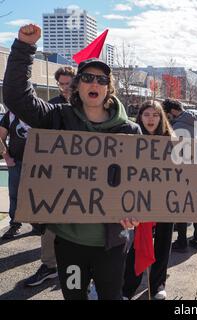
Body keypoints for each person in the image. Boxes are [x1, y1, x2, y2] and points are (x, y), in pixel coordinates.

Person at [3, 24, 141, 300]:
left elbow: (140, 183)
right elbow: (16, 97)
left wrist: (135, 209)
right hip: (69, 244)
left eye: (102, 79)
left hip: (111, 244)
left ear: (108, 88)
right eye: (88, 77)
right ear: (78, 86)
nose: (95, 83)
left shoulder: (129, 131)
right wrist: (24, 48)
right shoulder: (57, 118)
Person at [24, 66, 76, 287]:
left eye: (69, 84)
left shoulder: (92, 107)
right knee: (51, 224)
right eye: (61, 84)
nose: (65, 89)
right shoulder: (52, 106)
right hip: (55, 176)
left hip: (86, 178)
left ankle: (85, 270)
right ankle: (49, 265)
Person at [122, 101, 175, 300]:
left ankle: (158, 284)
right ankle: (129, 287)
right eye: (146, 114)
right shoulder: (129, 140)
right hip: (138, 200)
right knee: (136, 244)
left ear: (162, 118)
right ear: (140, 117)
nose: (151, 119)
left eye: (155, 115)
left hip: (166, 201)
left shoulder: (172, 141)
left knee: (163, 242)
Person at [162, 98, 197, 252]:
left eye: (166, 114)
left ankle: (182, 242)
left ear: (171, 112)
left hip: (183, 169)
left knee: (181, 204)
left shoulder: (177, 126)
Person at [0, 111, 30, 240]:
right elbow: (0, 137)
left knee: (39, 194)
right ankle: (15, 224)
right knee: (15, 195)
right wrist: (6, 158)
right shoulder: (10, 115)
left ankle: (38, 225)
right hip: (16, 162)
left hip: (37, 164)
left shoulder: (38, 111)